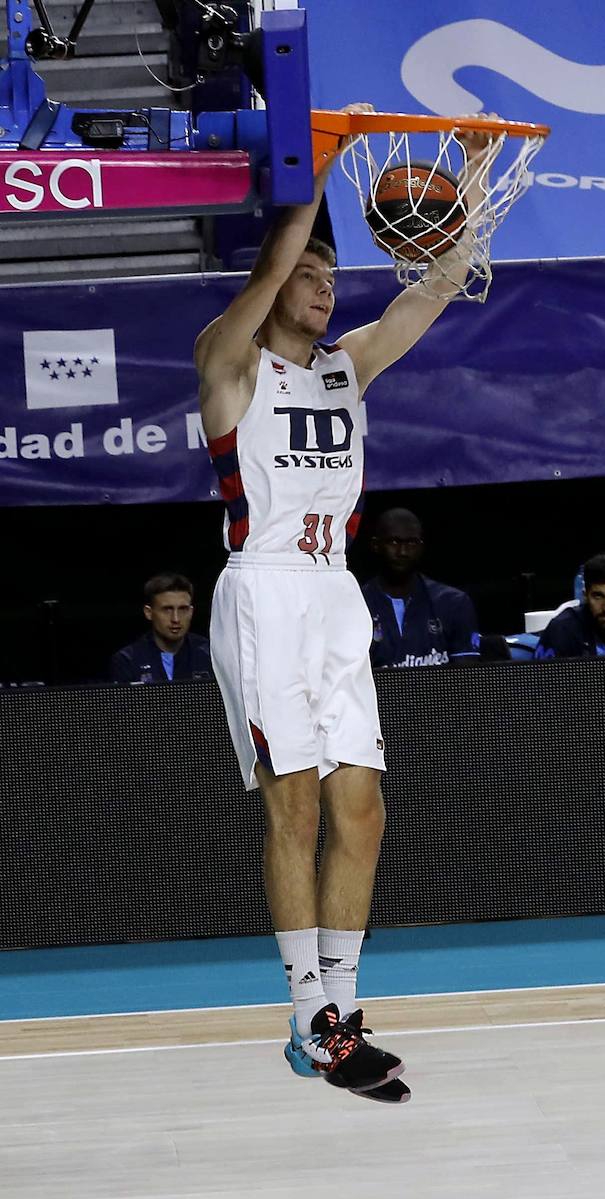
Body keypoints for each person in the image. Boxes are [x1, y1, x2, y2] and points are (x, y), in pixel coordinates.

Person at [194, 103, 497, 1104]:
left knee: (360, 811)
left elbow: (440, 286)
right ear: (277, 286)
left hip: (335, 599)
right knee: (295, 808)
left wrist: (476, 169)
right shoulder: (231, 363)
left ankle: (342, 1011)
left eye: (333, 279)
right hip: (263, 594)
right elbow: (278, 260)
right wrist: (314, 175)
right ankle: (304, 1017)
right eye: (310, 279)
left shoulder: (347, 366)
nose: (325, 292)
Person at [361, 508, 480, 668]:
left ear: (421, 547)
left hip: (442, 693)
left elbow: (468, 676)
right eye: (394, 542)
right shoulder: (357, 605)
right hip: (379, 694)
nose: (403, 552)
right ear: (376, 545)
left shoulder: (453, 603)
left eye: (411, 543)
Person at [109, 573, 214, 684]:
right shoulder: (128, 660)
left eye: (183, 609)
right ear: (148, 612)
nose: (176, 619)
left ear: (191, 612)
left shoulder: (210, 655)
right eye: (167, 609)